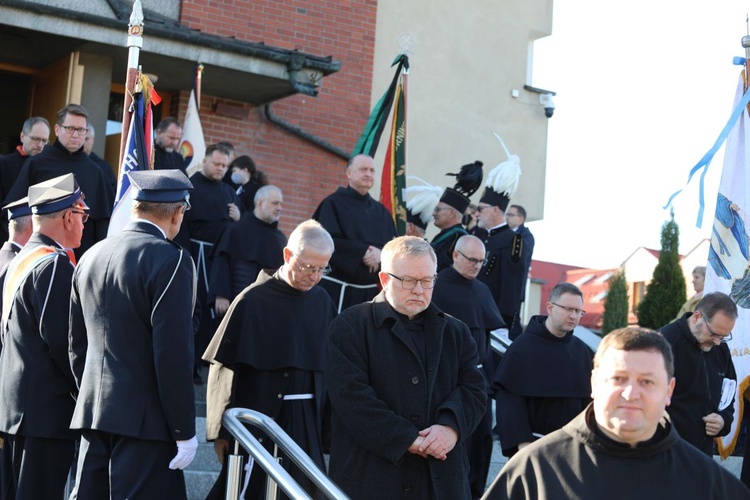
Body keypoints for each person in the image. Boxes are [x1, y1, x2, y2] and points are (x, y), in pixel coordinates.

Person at [483, 327, 750, 499]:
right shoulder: (535, 469)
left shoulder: (711, 485)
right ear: (594, 383)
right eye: (619, 378)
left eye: (647, 381)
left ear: (669, 390)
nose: (630, 393)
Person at [325, 235, 487, 499]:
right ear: (385, 279)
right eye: (409, 281)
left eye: (427, 281)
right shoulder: (350, 325)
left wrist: (450, 428)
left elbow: (475, 389)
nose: (419, 290)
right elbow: (352, 398)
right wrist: (407, 438)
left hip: (441, 481)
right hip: (371, 478)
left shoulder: (456, 331)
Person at [68, 169, 197, 498]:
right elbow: (172, 352)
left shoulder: (90, 256)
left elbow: (75, 347)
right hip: (146, 424)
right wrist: (183, 429)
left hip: (93, 415)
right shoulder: (172, 261)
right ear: (178, 212)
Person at [203, 219, 336, 499]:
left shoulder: (323, 302)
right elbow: (225, 369)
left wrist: (325, 430)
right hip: (259, 420)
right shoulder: (251, 300)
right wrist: (220, 432)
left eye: (322, 269)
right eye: (309, 267)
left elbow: (325, 371)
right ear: (288, 256)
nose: (315, 276)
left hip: (305, 423)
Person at [0, 173, 87, 499]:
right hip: (43, 417)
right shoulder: (53, 266)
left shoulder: (25, 257)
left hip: (18, 410)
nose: (84, 223)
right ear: (68, 216)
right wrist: (86, 392)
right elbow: (65, 345)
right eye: (83, 215)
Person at [431, 235, 504, 499]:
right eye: (471, 259)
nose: (476, 265)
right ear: (455, 256)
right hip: (446, 379)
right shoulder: (435, 286)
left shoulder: (482, 290)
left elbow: (486, 336)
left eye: (481, 261)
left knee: (481, 440)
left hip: (477, 378)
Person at [491, 282, 594, 457]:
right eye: (568, 309)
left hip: (574, 447)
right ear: (550, 307)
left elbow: (588, 403)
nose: (573, 316)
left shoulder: (583, 351)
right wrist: (522, 443)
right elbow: (509, 400)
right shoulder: (522, 347)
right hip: (532, 446)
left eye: (578, 311)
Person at [5, 104, 112, 259]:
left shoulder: (96, 172)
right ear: (57, 129)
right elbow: (17, 216)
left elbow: (103, 224)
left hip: (83, 259)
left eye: (81, 130)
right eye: (70, 128)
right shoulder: (36, 164)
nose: (76, 135)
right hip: (39, 256)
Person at [181, 143, 242, 383]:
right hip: (195, 254)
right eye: (217, 164)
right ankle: (189, 362)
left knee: (213, 313)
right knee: (194, 308)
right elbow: (182, 224)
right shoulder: (191, 187)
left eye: (225, 165)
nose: (221, 169)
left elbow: (238, 227)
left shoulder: (229, 192)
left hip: (220, 258)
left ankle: (203, 359)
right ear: (205, 161)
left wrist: (239, 218)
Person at [312, 154, 397, 311]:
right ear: (349, 173)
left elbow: (395, 247)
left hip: (369, 294)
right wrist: (362, 252)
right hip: (336, 290)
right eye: (363, 169)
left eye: (372, 170)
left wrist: (381, 254)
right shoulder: (332, 203)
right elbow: (322, 240)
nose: (368, 174)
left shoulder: (382, 212)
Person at [658, 292, 738, 456]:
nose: (717, 342)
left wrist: (723, 420)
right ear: (696, 317)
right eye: (714, 334)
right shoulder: (661, 344)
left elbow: (729, 391)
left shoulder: (720, 348)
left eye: (723, 337)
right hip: (666, 454)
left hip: (702, 456)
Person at [209, 185, 286, 316]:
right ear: (260, 203)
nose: (279, 208)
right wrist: (221, 294)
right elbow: (222, 262)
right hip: (234, 301)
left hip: (264, 306)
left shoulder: (280, 239)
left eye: (280, 204)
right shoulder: (237, 229)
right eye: (275, 203)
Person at [475, 162, 531, 340]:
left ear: (495, 210)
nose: (476, 214)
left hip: (494, 323)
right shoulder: (485, 238)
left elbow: (512, 287)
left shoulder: (513, 241)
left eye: (480, 209)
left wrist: (502, 324)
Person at [0, 117, 50, 243]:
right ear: (23, 137)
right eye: (35, 139)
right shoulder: (4, 164)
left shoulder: (48, 169)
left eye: (44, 141)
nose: (40, 145)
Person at [431, 161, 483, 272]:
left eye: (438, 209)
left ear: (451, 213)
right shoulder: (447, 235)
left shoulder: (459, 238)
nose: (434, 213)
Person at [83, 123, 117, 200]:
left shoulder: (103, 167)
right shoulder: (69, 162)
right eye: (81, 138)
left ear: (93, 140)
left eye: (86, 139)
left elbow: (111, 194)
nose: (83, 142)